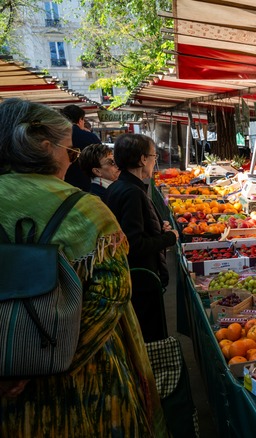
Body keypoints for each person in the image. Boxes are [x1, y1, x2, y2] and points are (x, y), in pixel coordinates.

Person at [0, 98, 167, 436]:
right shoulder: (84, 209)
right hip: (84, 379)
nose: (71, 161)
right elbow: (110, 299)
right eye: (70, 153)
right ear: (46, 148)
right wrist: (41, 362)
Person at [104, 133, 178, 342]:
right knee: (149, 339)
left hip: (130, 278)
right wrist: (169, 238)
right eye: (154, 157)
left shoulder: (119, 187)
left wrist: (155, 227)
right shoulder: (132, 193)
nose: (155, 162)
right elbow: (134, 244)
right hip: (141, 281)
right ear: (142, 159)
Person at [61, 104, 101, 191]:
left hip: (59, 183)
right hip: (84, 183)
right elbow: (101, 158)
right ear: (80, 120)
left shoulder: (55, 136)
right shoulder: (90, 137)